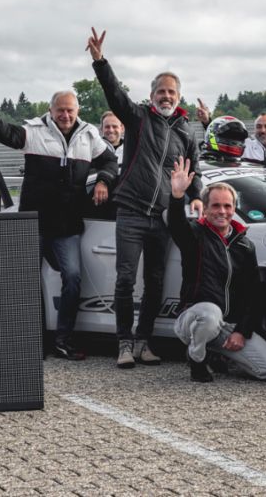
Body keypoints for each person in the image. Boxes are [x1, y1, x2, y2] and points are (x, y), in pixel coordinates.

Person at [88, 27, 203, 369]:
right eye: (160, 91)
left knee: (154, 282)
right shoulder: (137, 118)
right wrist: (100, 62)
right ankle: (123, 343)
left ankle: (144, 341)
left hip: (165, 216)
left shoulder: (187, 131)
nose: (166, 96)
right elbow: (114, 93)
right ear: (151, 94)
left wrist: (195, 196)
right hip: (133, 211)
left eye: (171, 92)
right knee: (125, 279)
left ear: (179, 97)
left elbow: (193, 169)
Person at [0, 90, 118, 361]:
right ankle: (30, 342)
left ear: (78, 111)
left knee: (73, 279)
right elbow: (8, 133)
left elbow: (110, 161)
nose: (65, 115)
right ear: (51, 111)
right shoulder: (35, 131)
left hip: (67, 225)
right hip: (35, 222)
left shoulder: (89, 135)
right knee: (26, 282)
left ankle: (63, 340)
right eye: (60, 110)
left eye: (70, 110)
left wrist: (103, 181)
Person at [167, 154, 266, 383]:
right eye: (216, 206)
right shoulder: (194, 235)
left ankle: (218, 353)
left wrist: (242, 331)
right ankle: (197, 358)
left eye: (228, 206)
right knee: (210, 314)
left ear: (234, 208)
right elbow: (176, 225)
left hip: (226, 326)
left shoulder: (244, 245)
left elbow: (253, 294)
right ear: (206, 209)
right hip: (195, 318)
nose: (222, 211)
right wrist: (177, 195)